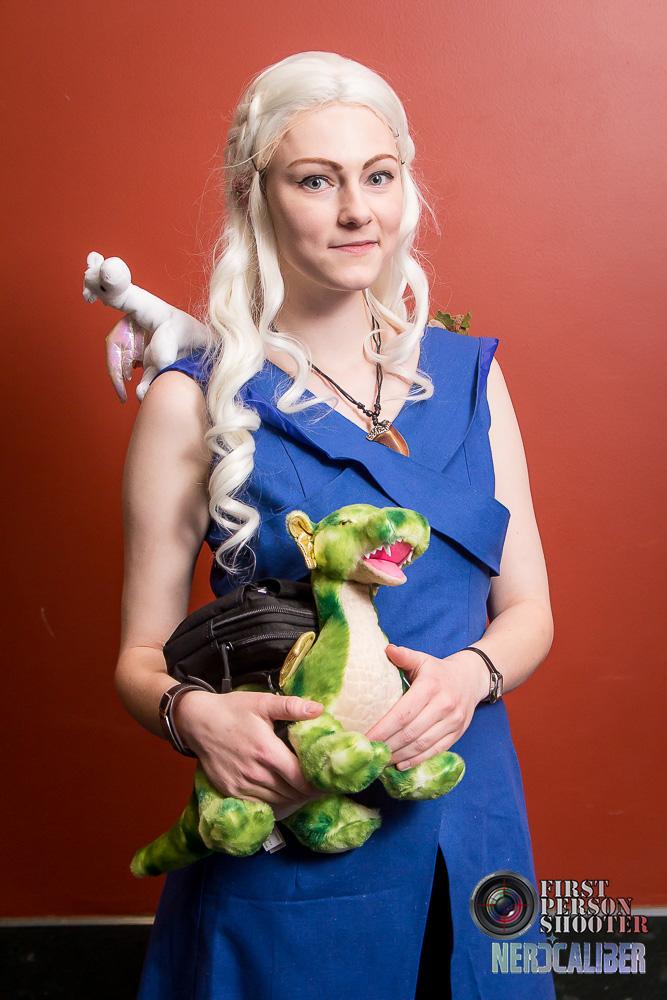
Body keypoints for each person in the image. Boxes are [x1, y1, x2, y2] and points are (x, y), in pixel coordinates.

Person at [115, 51, 555, 1000]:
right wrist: (196, 716)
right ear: (256, 195)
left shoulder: (468, 378)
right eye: (316, 180)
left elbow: (528, 611)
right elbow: (138, 659)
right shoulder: (194, 402)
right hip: (289, 826)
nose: (358, 210)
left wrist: (466, 678)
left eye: (378, 176)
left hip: (467, 815)